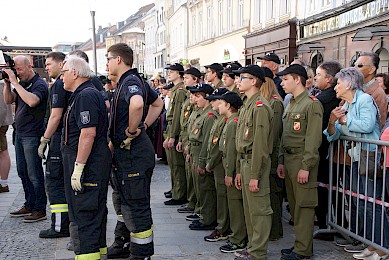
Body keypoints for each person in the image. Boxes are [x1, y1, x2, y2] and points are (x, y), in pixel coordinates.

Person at [323, 67, 388, 259]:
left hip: (368, 158)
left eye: (339, 84)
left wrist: (343, 120)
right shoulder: (347, 105)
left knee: (371, 203)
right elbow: (332, 136)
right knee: (361, 203)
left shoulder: (365, 100)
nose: (335, 88)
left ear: (349, 84)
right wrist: (333, 122)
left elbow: (367, 125)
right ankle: (370, 244)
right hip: (356, 157)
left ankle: (381, 246)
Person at [107, 43, 156, 260]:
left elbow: (137, 104)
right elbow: (158, 103)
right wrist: (144, 125)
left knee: (136, 205)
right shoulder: (129, 81)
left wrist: (133, 130)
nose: (107, 63)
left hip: (133, 154)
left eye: (108, 58)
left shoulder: (131, 82)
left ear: (118, 59)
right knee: (124, 201)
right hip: (126, 154)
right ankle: (123, 243)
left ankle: (141, 253)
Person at [60, 56, 111, 259]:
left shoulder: (86, 95)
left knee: (86, 213)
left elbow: (87, 133)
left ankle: (88, 255)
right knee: (92, 212)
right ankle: (98, 254)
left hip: (89, 165)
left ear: (74, 72)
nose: (61, 77)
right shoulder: (83, 93)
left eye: (64, 73)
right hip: (91, 162)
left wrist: (79, 167)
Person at [277, 64, 323, 260]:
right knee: (295, 206)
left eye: (285, 79)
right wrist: (281, 160)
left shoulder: (311, 104)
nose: (282, 82)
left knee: (304, 207)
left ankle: (303, 250)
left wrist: (306, 166)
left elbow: (313, 140)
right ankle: (299, 245)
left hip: (301, 161)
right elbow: (285, 135)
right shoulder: (293, 103)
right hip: (289, 160)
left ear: (297, 79)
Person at [234, 64, 273, 260]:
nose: (239, 81)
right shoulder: (247, 105)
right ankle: (252, 247)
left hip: (255, 162)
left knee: (259, 210)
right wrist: (241, 170)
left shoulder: (260, 107)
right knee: (250, 210)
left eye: (243, 78)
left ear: (254, 81)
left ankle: (258, 252)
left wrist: (255, 175)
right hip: (245, 162)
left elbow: (260, 145)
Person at [3, 55, 48, 222]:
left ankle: (39, 209)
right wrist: (8, 84)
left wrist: (14, 82)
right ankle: (29, 204)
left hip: (33, 134)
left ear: (30, 66)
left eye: (20, 69)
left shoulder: (39, 84)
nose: (18, 72)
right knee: (22, 172)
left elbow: (32, 101)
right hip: (20, 133)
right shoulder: (21, 83)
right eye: (16, 69)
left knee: (34, 173)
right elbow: (8, 100)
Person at [37, 52, 71, 238]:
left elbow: (55, 115)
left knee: (55, 183)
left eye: (49, 64)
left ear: (61, 64)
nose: (47, 67)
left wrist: (45, 139)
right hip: (66, 139)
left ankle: (59, 226)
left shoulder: (59, 84)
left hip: (58, 139)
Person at [312, 61, 342, 241]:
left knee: (325, 191)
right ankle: (328, 223)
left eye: (319, 75)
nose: (315, 78)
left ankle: (327, 224)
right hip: (326, 150)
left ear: (329, 79)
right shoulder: (322, 97)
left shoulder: (324, 99)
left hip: (324, 150)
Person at [217, 91, 247, 253]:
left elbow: (231, 151)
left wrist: (229, 173)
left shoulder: (233, 123)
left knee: (235, 206)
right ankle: (237, 235)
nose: (218, 106)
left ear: (228, 105)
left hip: (232, 169)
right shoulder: (229, 121)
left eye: (221, 103)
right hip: (230, 168)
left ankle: (238, 239)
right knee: (232, 204)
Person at [187, 83, 217, 231]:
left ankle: (208, 218)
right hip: (195, 149)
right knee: (200, 185)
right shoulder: (201, 112)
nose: (195, 98)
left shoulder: (210, 115)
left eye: (198, 96)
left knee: (205, 187)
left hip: (201, 151)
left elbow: (206, 141)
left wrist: (201, 160)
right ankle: (202, 213)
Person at [260, 66, 285, 241]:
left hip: (272, 156)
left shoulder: (274, 103)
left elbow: (273, 134)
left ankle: (274, 230)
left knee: (273, 197)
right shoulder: (264, 102)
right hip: (266, 155)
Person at [203, 87, 230, 240]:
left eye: (215, 100)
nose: (212, 103)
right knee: (220, 195)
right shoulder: (219, 118)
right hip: (216, 162)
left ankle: (223, 227)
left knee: (222, 196)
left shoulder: (224, 120)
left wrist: (211, 162)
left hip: (220, 163)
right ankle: (221, 225)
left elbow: (219, 146)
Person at [176, 67, 202, 214]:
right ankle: (193, 203)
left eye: (187, 78)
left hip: (195, 145)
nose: (184, 80)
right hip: (188, 142)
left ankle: (198, 208)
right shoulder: (187, 96)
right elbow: (185, 123)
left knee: (201, 183)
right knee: (191, 177)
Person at [163, 63, 187, 205]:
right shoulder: (175, 89)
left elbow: (178, 114)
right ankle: (175, 190)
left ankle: (179, 194)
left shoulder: (180, 90)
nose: (169, 74)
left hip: (175, 129)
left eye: (172, 72)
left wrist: (172, 135)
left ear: (179, 74)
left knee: (177, 166)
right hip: (171, 127)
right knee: (173, 165)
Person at [355, 52, 387, 130]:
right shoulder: (354, 87)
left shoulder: (378, 93)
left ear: (371, 69)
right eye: (354, 64)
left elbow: (379, 122)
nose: (355, 68)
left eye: (359, 66)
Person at [0, 53, 13, 193]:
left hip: (1, 121)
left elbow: (2, 106)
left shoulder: (2, 81)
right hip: (3, 120)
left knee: (3, 151)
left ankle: (3, 183)